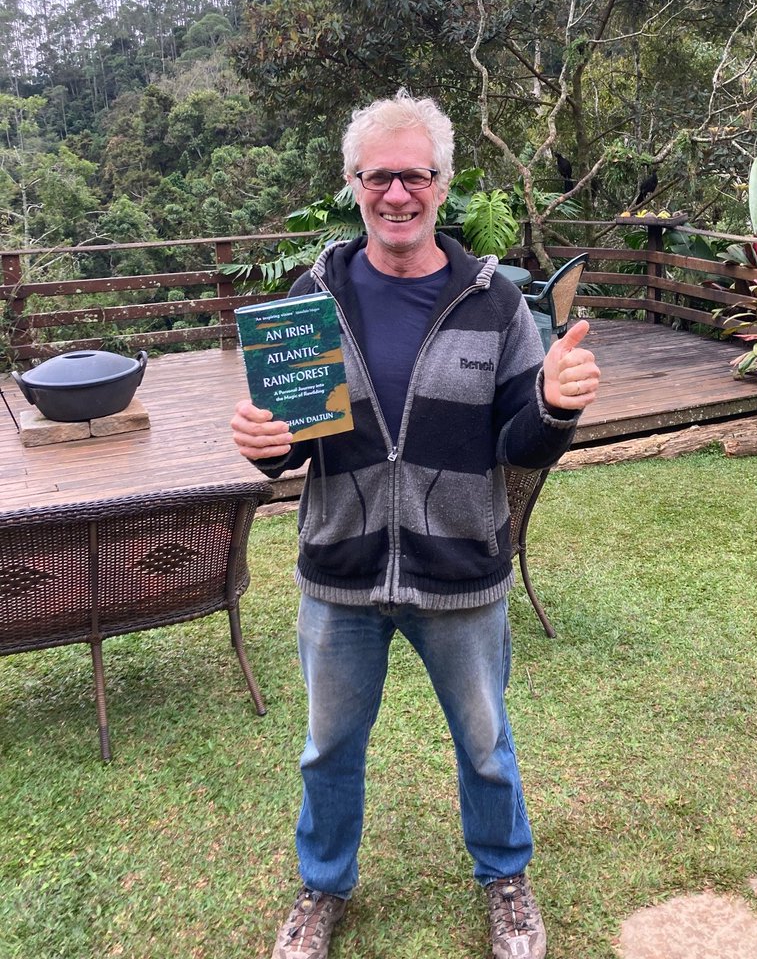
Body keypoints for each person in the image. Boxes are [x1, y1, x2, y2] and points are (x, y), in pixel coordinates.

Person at [230, 90, 601, 959]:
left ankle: (506, 879)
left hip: (461, 569)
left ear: (441, 184)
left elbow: (521, 442)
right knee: (327, 750)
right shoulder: (310, 296)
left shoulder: (493, 303)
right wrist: (262, 446)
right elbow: (289, 444)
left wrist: (551, 404)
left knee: (485, 744)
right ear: (354, 184)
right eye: (379, 177)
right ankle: (322, 888)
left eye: (415, 176)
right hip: (341, 570)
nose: (397, 194)